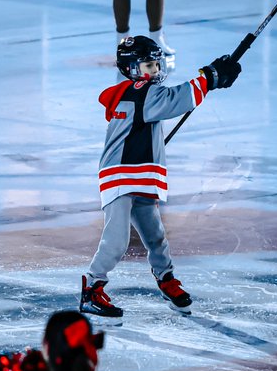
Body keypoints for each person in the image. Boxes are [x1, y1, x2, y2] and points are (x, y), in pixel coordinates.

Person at [80, 36, 241, 318]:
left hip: (138, 174)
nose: (155, 71)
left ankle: (166, 280)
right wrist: (211, 78)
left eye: (156, 65)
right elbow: (174, 99)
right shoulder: (142, 92)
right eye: (148, 66)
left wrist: (210, 79)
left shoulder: (135, 92)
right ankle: (92, 288)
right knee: (116, 240)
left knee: (155, 236)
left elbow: (161, 106)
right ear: (131, 68)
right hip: (121, 176)